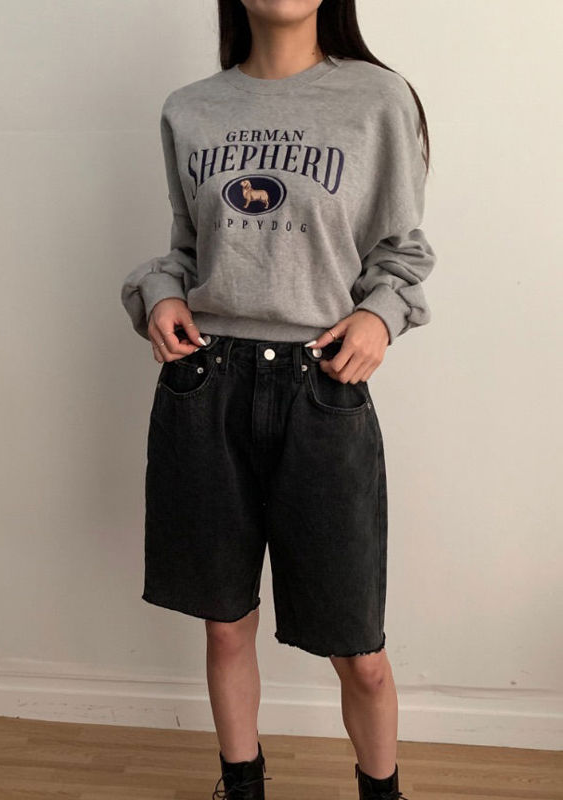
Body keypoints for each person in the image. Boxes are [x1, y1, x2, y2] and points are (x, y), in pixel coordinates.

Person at [121, 1, 437, 798]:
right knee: (226, 624)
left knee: (358, 650)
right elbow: (185, 251)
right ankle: (240, 785)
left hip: (321, 389)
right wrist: (159, 294)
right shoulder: (190, 108)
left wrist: (379, 315)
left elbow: (402, 253)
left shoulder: (377, 99)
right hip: (206, 385)